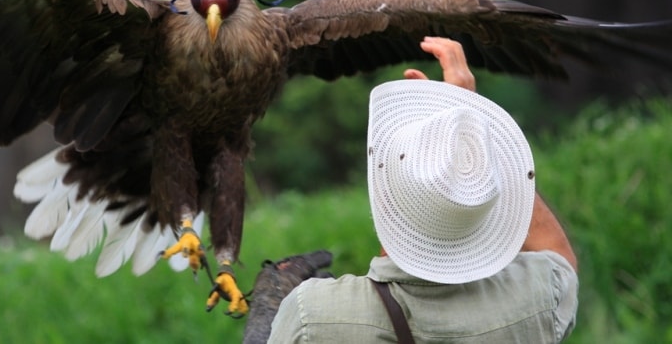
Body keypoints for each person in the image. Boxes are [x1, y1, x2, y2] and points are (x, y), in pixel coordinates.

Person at [247, 37, 578, 343]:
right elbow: (559, 255)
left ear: (382, 191)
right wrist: (471, 133)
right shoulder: (535, 298)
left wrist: (266, 322)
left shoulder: (313, 316)